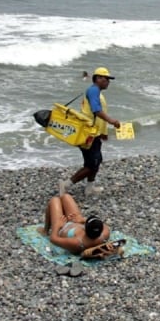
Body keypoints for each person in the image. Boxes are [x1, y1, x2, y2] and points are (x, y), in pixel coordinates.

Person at [61, 67, 123, 197]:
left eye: (108, 80)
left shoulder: (97, 92)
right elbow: (96, 111)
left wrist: (103, 132)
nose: (108, 82)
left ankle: (90, 187)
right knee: (92, 163)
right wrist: (112, 121)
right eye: (106, 79)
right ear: (98, 78)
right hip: (87, 133)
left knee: (96, 160)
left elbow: (97, 116)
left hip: (94, 133)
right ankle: (66, 184)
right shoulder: (93, 90)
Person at [42, 193, 109, 253]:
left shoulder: (77, 242)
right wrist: (81, 219)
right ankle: (66, 213)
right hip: (75, 222)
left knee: (54, 200)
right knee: (66, 196)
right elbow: (103, 225)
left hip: (62, 228)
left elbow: (53, 239)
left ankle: (45, 231)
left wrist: (57, 226)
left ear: (85, 228)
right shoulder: (104, 234)